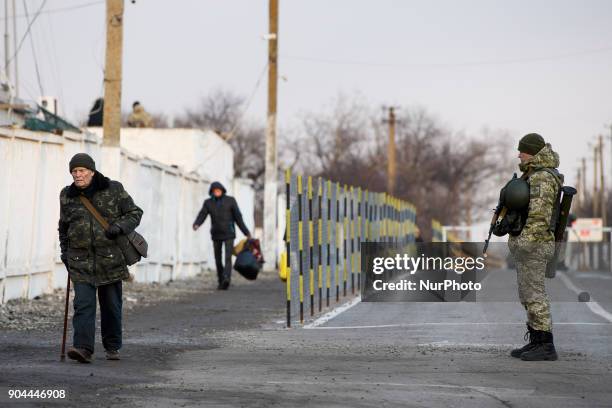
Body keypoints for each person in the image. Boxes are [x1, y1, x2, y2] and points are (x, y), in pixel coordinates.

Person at [58, 153, 143, 363]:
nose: (78, 175)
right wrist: (64, 251)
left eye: (82, 171)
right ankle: (83, 348)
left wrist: (118, 227)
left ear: (92, 172)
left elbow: (135, 213)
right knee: (83, 305)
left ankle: (112, 346)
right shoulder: (67, 195)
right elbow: (63, 226)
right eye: (74, 171)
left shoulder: (113, 189)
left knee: (111, 306)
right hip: (80, 259)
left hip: (110, 258)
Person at [508, 133, 562, 361]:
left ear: (531, 151)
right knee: (527, 294)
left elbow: (539, 218)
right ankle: (536, 340)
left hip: (535, 245)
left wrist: (522, 244)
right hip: (532, 245)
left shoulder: (541, 178)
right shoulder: (534, 174)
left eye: (522, 150)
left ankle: (546, 345)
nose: (519, 154)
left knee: (535, 294)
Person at [193, 182, 251, 290]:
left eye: (219, 190)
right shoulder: (208, 203)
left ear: (223, 190)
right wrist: (197, 224)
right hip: (216, 234)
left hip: (229, 233)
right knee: (218, 259)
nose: (217, 192)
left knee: (228, 257)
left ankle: (226, 278)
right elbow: (202, 214)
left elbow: (238, 217)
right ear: (212, 192)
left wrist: (246, 232)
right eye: (215, 191)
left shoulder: (230, 201)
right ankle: (220, 279)